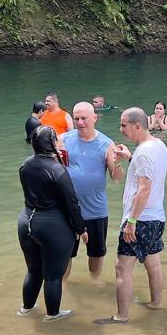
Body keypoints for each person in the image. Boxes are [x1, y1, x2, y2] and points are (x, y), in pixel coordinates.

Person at [95, 108, 167, 325]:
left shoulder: (144, 153)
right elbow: (147, 172)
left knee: (122, 267)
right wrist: (130, 158)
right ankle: (156, 303)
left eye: (124, 125)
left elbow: (144, 188)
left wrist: (131, 222)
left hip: (141, 220)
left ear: (137, 126)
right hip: (156, 218)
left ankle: (122, 316)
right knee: (153, 261)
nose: (121, 129)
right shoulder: (158, 146)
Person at [18, 126, 88, 321]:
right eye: (57, 139)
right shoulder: (57, 170)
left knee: (33, 271)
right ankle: (53, 315)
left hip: (26, 221)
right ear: (51, 144)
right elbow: (71, 202)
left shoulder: (26, 165)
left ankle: (26, 309)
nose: (60, 142)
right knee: (53, 275)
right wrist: (80, 229)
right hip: (52, 225)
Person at [62, 103, 123, 283]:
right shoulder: (63, 139)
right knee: (66, 252)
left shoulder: (106, 143)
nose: (80, 122)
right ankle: (62, 286)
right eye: (76, 118)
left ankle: (94, 282)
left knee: (96, 253)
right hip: (68, 209)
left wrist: (118, 162)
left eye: (84, 118)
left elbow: (117, 178)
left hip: (95, 209)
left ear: (94, 118)